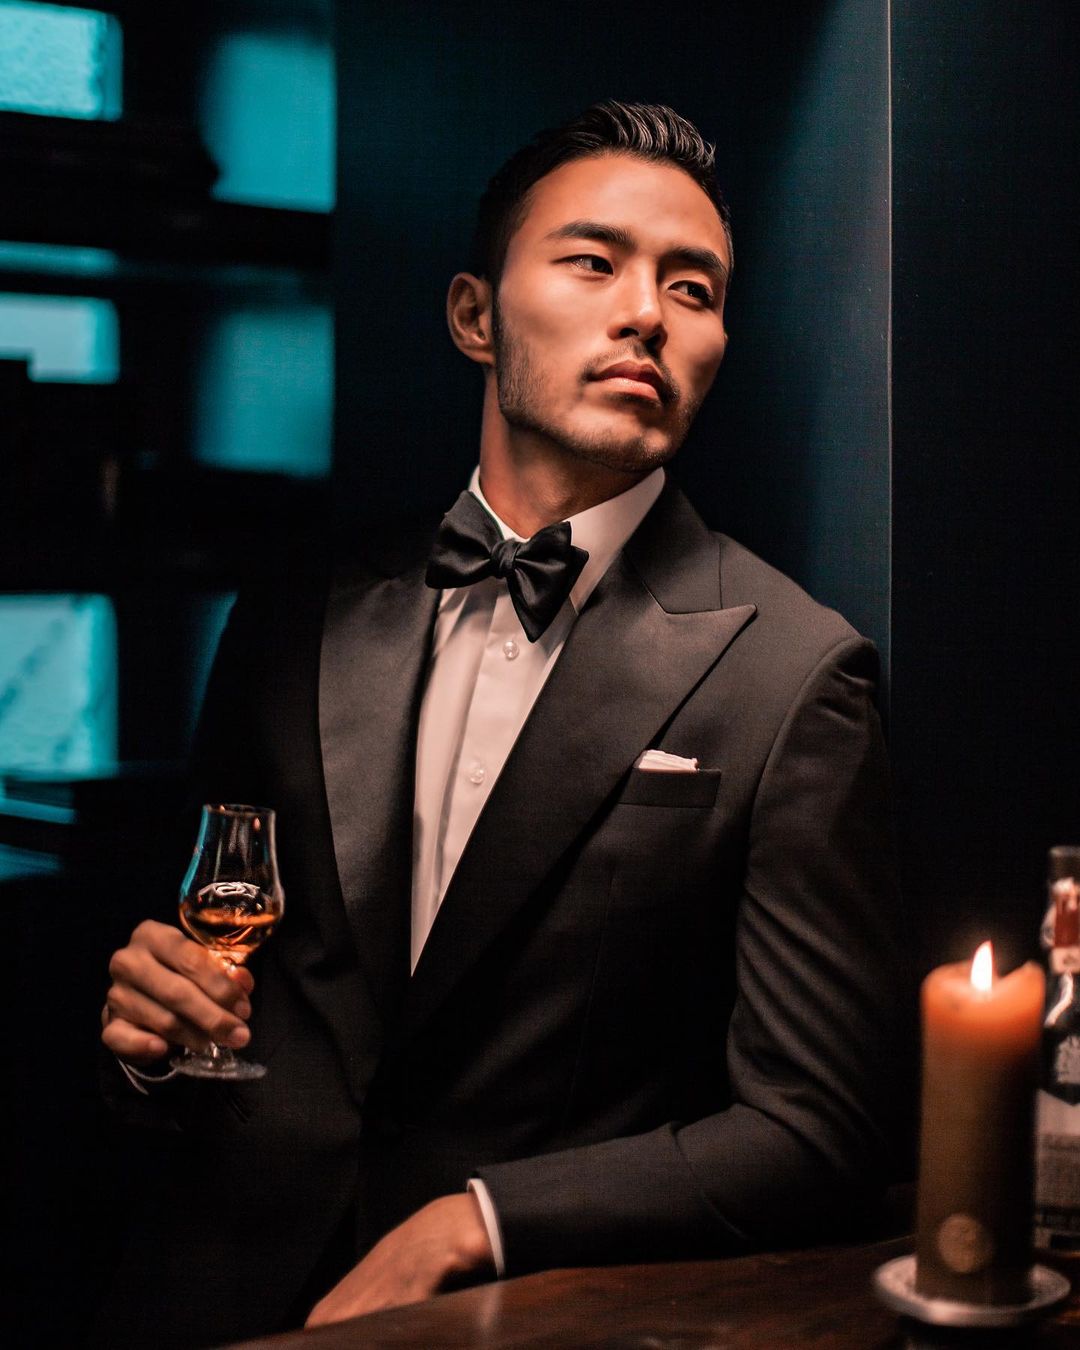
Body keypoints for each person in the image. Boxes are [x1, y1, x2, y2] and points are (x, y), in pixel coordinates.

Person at [99, 100, 904, 1347]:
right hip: (227, 1299)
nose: (647, 313)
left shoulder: (796, 674)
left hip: (528, 1320)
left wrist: (477, 1221)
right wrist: (153, 1035)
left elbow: (818, 1133)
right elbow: (217, 976)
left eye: (692, 288)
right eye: (593, 263)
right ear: (475, 316)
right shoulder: (296, 612)